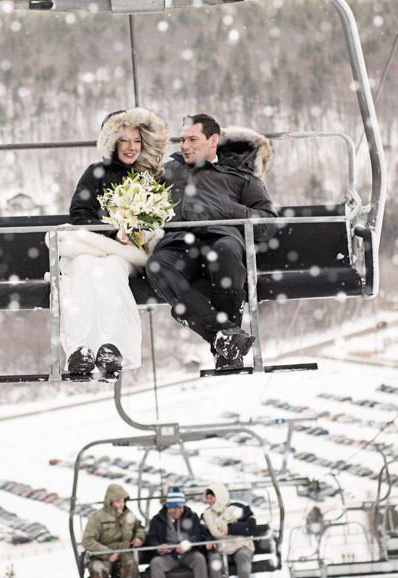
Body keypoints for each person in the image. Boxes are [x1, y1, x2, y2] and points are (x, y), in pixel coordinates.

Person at [146, 113, 277, 371]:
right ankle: (222, 334)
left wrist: (231, 210)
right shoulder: (169, 171)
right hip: (179, 241)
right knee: (158, 266)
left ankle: (226, 352)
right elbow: (137, 196)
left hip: (221, 237)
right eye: (182, 140)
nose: (184, 146)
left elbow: (268, 223)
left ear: (213, 140)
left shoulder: (239, 176)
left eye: (193, 139)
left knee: (226, 254)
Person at [57, 107, 169, 380]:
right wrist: (112, 232)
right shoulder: (95, 173)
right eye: (124, 140)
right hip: (92, 246)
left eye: (137, 141)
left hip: (124, 254)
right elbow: (79, 215)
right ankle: (80, 350)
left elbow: (160, 219)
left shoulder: (148, 178)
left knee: (110, 270)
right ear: (112, 143)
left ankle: (111, 348)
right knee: (82, 268)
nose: (131, 147)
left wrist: (137, 232)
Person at [143, 486, 217, 578]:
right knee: (156, 563)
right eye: (174, 508)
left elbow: (198, 534)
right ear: (168, 507)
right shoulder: (158, 519)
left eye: (180, 508)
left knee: (199, 559)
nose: (177, 511)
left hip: (188, 555)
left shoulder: (192, 516)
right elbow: (151, 538)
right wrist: (159, 547)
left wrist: (188, 543)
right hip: (168, 556)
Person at [81, 483, 146, 578]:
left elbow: (139, 527)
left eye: (123, 501)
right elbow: (87, 540)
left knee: (129, 563)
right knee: (97, 569)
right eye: (118, 501)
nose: (121, 504)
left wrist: (139, 537)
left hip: (122, 555)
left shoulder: (129, 515)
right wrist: (107, 553)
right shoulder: (98, 518)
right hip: (102, 557)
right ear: (110, 502)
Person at [200, 482, 258, 578]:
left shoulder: (238, 507)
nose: (210, 501)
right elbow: (204, 531)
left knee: (243, 557)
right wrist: (209, 540)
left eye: (212, 498)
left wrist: (231, 529)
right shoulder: (206, 515)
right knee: (214, 561)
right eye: (208, 498)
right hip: (221, 549)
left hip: (240, 546)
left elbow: (251, 526)